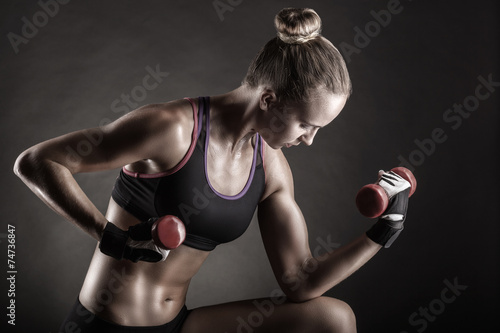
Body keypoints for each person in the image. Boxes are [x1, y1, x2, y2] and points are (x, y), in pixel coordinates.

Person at [13, 7, 411, 333]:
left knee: (333, 320)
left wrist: (382, 232)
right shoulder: (171, 128)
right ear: (269, 99)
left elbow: (301, 281)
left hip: (179, 324)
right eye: (306, 124)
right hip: (106, 324)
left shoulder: (271, 168)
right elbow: (36, 162)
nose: (309, 140)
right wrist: (109, 236)